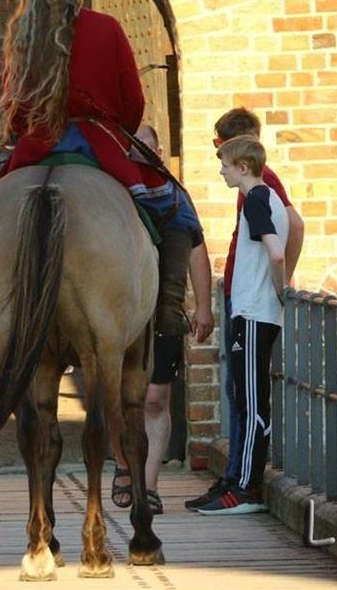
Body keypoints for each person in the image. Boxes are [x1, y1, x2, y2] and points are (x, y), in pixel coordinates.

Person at [0, 0, 194, 358]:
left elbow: (13, 107)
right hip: (100, 144)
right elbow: (132, 101)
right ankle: (170, 311)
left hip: (37, 145)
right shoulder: (105, 27)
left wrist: (27, 129)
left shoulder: (21, 33)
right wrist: (117, 131)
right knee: (176, 206)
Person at [187, 107, 305, 511]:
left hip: (255, 310)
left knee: (252, 401)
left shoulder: (257, 196)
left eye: (222, 162)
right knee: (247, 397)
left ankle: (245, 487)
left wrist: (279, 288)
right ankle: (238, 479)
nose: (220, 171)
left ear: (241, 164)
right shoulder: (262, 194)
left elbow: (275, 253)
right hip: (255, 308)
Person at [109, 125, 214, 515]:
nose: (139, 154)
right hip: (119, 315)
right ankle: (123, 465)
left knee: (155, 398)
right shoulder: (113, 190)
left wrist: (204, 306)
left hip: (162, 313)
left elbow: (196, 250)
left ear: (158, 148)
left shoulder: (175, 194)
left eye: (146, 147)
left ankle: (149, 485)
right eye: (132, 148)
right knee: (118, 400)